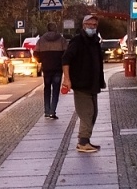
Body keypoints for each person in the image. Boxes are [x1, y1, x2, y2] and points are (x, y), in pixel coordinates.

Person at [59, 14, 106, 152]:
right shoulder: (77, 41)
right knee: (87, 113)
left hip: (93, 83)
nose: (92, 27)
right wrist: (67, 79)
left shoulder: (95, 41)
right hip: (81, 83)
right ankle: (83, 142)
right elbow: (66, 59)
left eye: (94, 25)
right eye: (89, 24)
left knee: (94, 113)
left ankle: (85, 140)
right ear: (83, 25)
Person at [34, 24, 67, 119]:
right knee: (56, 90)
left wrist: (41, 60)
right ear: (56, 28)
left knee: (47, 89)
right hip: (57, 68)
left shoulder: (41, 40)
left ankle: (47, 110)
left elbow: (35, 53)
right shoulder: (61, 40)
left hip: (46, 68)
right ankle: (53, 111)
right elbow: (67, 53)